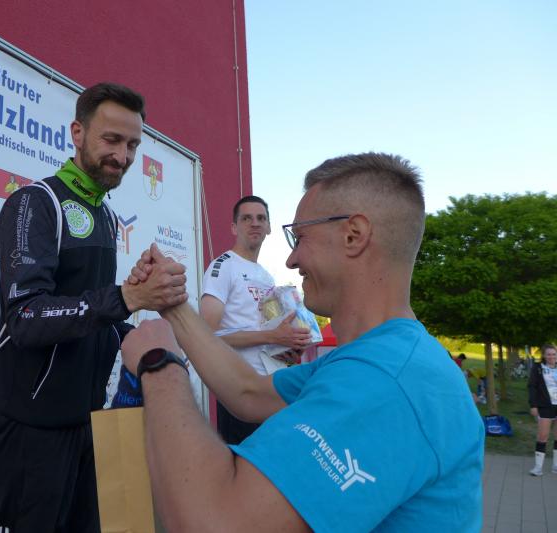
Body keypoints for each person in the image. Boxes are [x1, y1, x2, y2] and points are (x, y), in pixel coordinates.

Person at [122, 152, 484, 531]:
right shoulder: (377, 358)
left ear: (354, 235)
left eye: (300, 236)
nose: (292, 260)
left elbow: (216, 523)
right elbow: (248, 392)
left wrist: (158, 364)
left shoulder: (386, 380)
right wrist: (173, 306)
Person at [0, 82, 187, 533]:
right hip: (30, 430)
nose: (123, 156)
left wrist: (144, 330)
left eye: (132, 145)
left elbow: (91, 314)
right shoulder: (35, 203)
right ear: (77, 133)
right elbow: (27, 317)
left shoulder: (105, 215)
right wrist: (126, 298)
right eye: (111, 140)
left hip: (90, 423)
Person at [201, 195, 310, 444]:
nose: (255, 223)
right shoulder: (223, 266)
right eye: (247, 218)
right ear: (234, 227)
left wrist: (286, 349)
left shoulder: (266, 276)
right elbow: (207, 336)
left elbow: (268, 335)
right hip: (239, 389)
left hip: (270, 386)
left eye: (261, 218)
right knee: (243, 462)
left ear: (269, 227)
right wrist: (272, 336)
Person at [527, 344, 557, 476]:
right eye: (549, 354)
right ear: (544, 355)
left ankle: (556, 466)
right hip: (545, 406)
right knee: (543, 436)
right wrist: (533, 405)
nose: (552, 357)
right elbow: (532, 386)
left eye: (554, 354)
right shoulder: (538, 368)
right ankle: (538, 468)